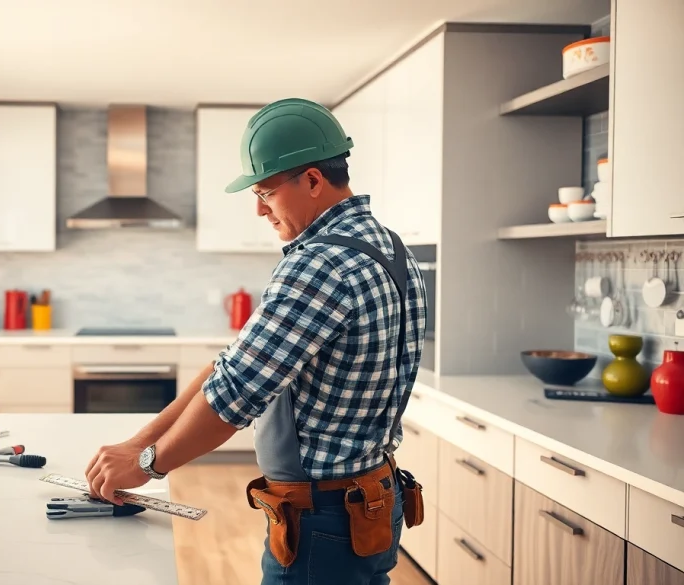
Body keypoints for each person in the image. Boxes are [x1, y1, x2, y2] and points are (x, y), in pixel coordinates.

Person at [84, 97, 428, 584]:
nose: (259, 209)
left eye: (266, 191)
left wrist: (145, 464)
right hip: (374, 501)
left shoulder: (318, 264)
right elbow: (234, 365)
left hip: (323, 521)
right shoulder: (390, 245)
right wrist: (139, 441)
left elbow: (234, 395)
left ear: (311, 180)